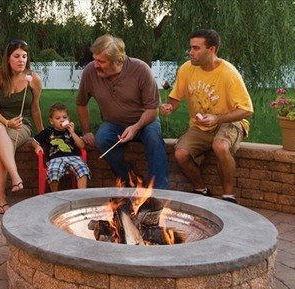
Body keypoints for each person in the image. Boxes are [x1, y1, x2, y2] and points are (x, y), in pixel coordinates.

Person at [160, 29, 253, 204]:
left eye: (196, 48)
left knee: (220, 146)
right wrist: (169, 107)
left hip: (229, 121)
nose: (191, 52)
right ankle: (201, 189)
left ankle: (228, 196)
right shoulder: (186, 69)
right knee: (180, 154)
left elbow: (247, 110)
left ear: (211, 50)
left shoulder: (229, 73)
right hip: (201, 125)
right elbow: (175, 97)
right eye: (190, 48)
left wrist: (217, 118)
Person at [76, 34, 168, 189]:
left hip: (145, 121)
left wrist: (136, 127)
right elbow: (81, 103)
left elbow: (153, 110)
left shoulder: (140, 69)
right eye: (95, 59)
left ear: (117, 61)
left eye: (101, 61)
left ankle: (160, 190)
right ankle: (130, 179)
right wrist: (86, 131)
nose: (95, 64)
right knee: (102, 139)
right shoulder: (90, 72)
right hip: (113, 123)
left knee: (154, 139)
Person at [0, 39, 44, 214]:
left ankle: (0, 198)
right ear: (8, 59)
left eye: (24, 56)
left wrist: (42, 135)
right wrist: (6, 122)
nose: (21, 60)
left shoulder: (33, 79)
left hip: (20, 124)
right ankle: (15, 176)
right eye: (16, 56)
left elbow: (35, 109)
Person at [31, 103, 90, 191]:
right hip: (55, 159)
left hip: (73, 157)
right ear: (51, 121)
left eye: (65, 117)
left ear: (68, 119)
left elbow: (81, 145)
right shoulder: (48, 131)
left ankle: (81, 193)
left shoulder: (73, 131)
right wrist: (37, 147)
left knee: (83, 169)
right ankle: (55, 194)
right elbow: (34, 141)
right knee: (53, 172)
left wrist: (72, 132)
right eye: (58, 118)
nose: (62, 120)